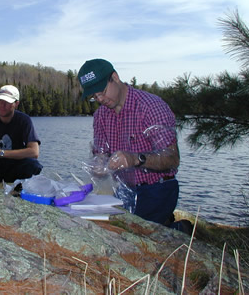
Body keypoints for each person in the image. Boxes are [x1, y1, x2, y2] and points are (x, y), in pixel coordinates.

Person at [78, 59, 190, 233]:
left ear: (114, 77)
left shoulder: (151, 107)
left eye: (102, 92)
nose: (100, 99)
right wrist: (99, 164)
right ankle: (165, 225)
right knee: (107, 230)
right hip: (123, 189)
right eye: (94, 97)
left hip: (157, 188)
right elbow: (100, 152)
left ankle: (179, 229)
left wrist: (136, 159)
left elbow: (172, 158)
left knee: (139, 236)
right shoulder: (100, 116)